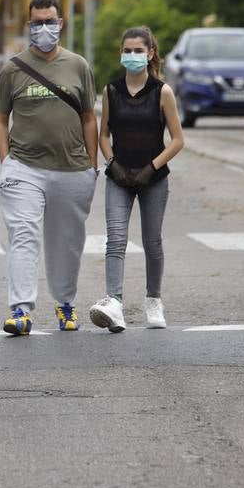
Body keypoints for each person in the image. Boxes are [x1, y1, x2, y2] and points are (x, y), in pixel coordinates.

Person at [0, 0, 99, 336]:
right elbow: (0, 118)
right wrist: (7, 161)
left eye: (49, 22)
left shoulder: (78, 66)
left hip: (72, 168)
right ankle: (21, 310)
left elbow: (88, 117)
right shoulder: (12, 69)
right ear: (28, 26)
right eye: (37, 23)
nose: (44, 29)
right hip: (25, 168)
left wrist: (93, 165)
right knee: (23, 234)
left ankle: (65, 303)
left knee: (66, 241)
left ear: (61, 23)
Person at [88, 27, 186, 332]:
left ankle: (153, 300)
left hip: (152, 178)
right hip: (119, 176)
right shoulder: (111, 91)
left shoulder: (162, 92)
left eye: (138, 51)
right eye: (127, 51)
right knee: (115, 239)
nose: (132, 56)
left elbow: (178, 140)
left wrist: (151, 168)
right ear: (120, 54)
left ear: (150, 53)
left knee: (151, 241)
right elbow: (103, 134)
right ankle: (113, 302)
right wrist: (112, 162)